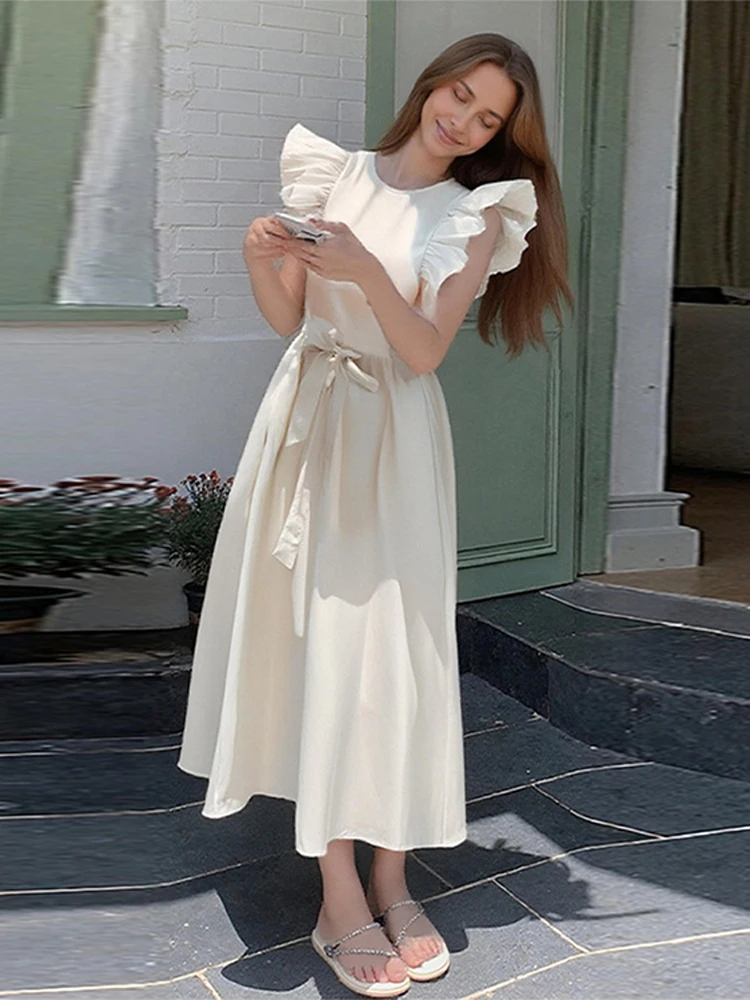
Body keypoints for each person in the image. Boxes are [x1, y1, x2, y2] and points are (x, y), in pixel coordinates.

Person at [177, 31, 572, 999]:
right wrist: (258, 256)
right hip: (307, 423)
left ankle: (393, 879)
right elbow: (289, 319)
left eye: (488, 117)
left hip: (394, 437)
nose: (464, 120)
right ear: (434, 82)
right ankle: (340, 892)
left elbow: (425, 350)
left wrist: (360, 267)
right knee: (326, 645)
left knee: (397, 652)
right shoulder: (334, 174)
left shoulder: (476, 211)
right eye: (461, 95)